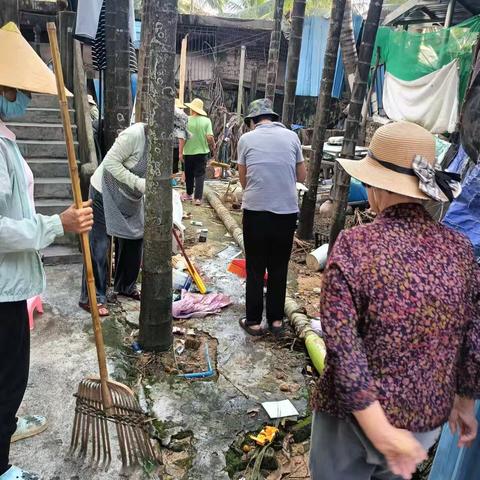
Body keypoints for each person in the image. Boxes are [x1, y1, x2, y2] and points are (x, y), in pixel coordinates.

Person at [310, 121, 479, 480]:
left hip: (353, 421)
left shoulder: (355, 246)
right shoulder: (462, 250)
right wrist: (465, 403)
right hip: (422, 423)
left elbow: (342, 347)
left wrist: (379, 429)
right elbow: (473, 336)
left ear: (376, 188)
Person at [0, 86, 93, 480]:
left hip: (10, 282)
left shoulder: (6, 138)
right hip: (2, 289)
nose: (20, 97)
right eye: (10, 90)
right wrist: (58, 224)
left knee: (8, 374)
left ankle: (4, 427)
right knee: (8, 376)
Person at [237, 99, 306, 337]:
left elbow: (243, 179)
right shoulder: (292, 137)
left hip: (255, 211)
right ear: (273, 118)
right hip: (286, 213)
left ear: (253, 121)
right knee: (279, 267)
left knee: (255, 268)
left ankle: (254, 322)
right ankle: (277, 321)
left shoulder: (246, 139)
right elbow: (302, 175)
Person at [79, 121, 147, 316]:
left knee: (135, 238)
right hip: (104, 191)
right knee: (99, 245)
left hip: (129, 198)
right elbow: (110, 162)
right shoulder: (134, 135)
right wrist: (137, 182)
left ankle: (125, 285)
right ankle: (92, 297)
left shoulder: (165, 145)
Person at [182, 98, 215, 205]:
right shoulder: (206, 121)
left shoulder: (186, 120)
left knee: (189, 174)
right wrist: (213, 144)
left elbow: (182, 138)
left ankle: (188, 194)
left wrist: (180, 152)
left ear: (192, 109)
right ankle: (198, 199)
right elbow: (209, 137)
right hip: (202, 152)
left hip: (188, 152)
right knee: (200, 175)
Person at [173, 98, 189, 175]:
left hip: (170, 145)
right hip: (176, 145)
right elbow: (182, 137)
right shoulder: (181, 118)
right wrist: (180, 152)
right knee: (173, 167)